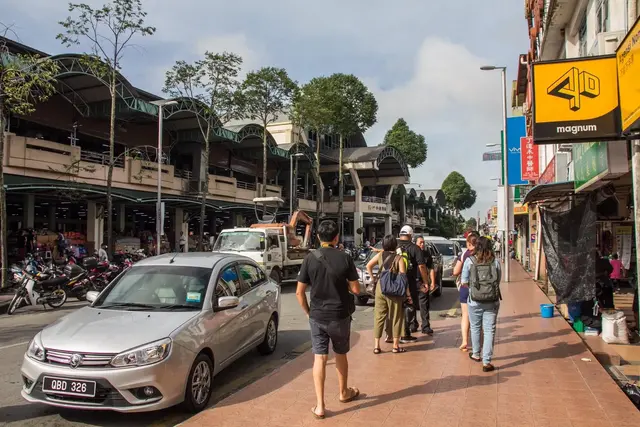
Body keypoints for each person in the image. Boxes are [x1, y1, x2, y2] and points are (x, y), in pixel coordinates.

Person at [296, 220, 361, 419]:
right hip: (340, 315)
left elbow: (299, 293)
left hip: (317, 316)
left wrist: (309, 313)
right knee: (341, 354)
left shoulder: (309, 258)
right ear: (336, 237)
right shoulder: (345, 258)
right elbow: (356, 289)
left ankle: (320, 406)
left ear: (317, 237)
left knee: (320, 358)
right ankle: (343, 393)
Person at [462, 236, 501, 372]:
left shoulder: (469, 261)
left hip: (474, 301)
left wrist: (475, 289)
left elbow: (464, 281)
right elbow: (498, 280)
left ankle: (476, 354)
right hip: (492, 300)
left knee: (475, 327)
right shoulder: (495, 262)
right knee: (489, 330)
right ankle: (487, 361)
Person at [368, 235, 408, 354]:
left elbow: (368, 265)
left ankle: (376, 346)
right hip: (394, 290)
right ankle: (395, 346)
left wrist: (373, 279)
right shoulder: (399, 258)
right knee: (396, 316)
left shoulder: (380, 255)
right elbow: (403, 275)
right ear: (395, 245)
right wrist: (407, 292)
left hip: (381, 288)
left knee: (379, 317)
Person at [396, 225, 430, 343]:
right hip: (410, 282)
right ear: (411, 235)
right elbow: (421, 266)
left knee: (396, 307)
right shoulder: (415, 248)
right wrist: (426, 282)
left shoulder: (395, 246)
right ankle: (405, 332)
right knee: (410, 306)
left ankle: (392, 333)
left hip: (395, 282)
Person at [453, 231, 478, 352]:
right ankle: (477, 342)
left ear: (468, 244)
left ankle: (465, 341)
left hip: (465, 288)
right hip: (480, 289)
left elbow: (455, 272)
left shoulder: (464, 255)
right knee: (479, 316)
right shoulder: (484, 254)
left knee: (465, 315)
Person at [415, 236, 436, 335]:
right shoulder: (411, 252)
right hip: (413, 281)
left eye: (423, 242)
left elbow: (431, 268)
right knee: (411, 305)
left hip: (423, 282)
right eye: (420, 243)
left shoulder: (427, 254)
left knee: (424, 305)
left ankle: (425, 326)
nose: (422, 244)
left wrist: (432, 282)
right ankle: (412, 325)